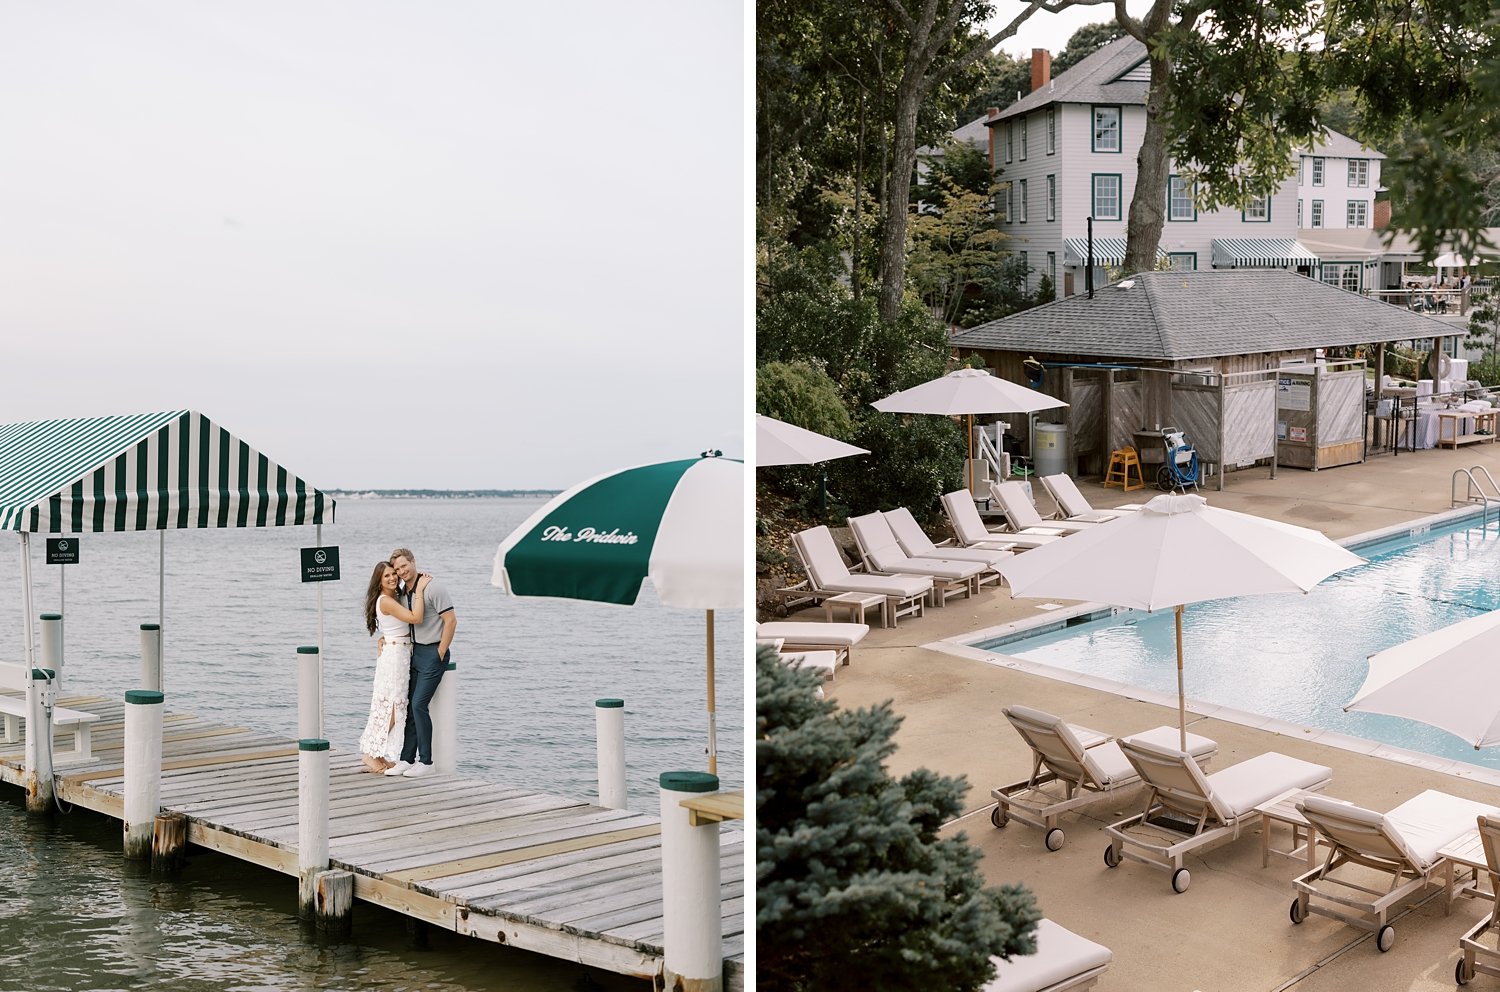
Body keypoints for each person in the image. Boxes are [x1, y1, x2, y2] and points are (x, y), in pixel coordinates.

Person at [383, 547, 457, 777]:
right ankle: (407, 759)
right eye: (397, 569)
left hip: (433, 654)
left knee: (418, 705)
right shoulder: (405, 592)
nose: (402, 571)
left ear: (414, 562)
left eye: (405, 566)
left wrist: (441, 651)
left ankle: (426, 762)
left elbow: (451, 621)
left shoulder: (433, 587)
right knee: (409, 707)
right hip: (413, 654)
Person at [359, 561, 430, 774]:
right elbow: (415, 618)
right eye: (387, 576)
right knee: (391, 706)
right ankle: (371, 755)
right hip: (395, 656)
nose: (392, 578)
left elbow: (393, 626)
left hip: (398, 652)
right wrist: (420, 589)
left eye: (393, 574)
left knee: (391, 705)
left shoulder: (393, 597)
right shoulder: (386, 601)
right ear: (379, 581)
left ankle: (377, 753)